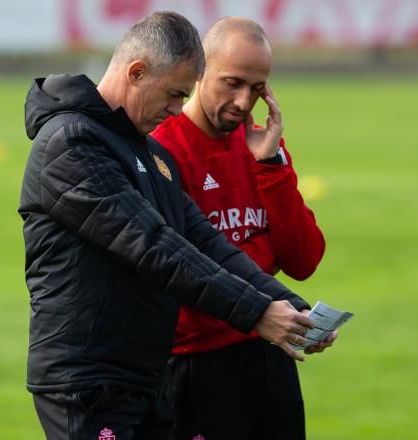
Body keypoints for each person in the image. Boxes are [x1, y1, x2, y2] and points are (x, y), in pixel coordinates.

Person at [19, 11, 325, 440]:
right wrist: (257, 312)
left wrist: (290, 306)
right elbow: (153, 245)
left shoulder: (147, 152)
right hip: (87, 384)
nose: (178, 109)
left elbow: (203, 239)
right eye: (175, 93)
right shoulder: (70, 143)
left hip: (143, 377)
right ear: (137, 72)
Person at [151, 17, 334, 440]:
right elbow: (177, 267)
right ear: (199, 74)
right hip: (197, 361)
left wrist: (271, 167)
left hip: (271, 349)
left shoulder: (261, 146)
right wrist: (260, 313)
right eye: (231, 82)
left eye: (256, 88)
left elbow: (304, 260)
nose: (242, 100)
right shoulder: (162, 150)